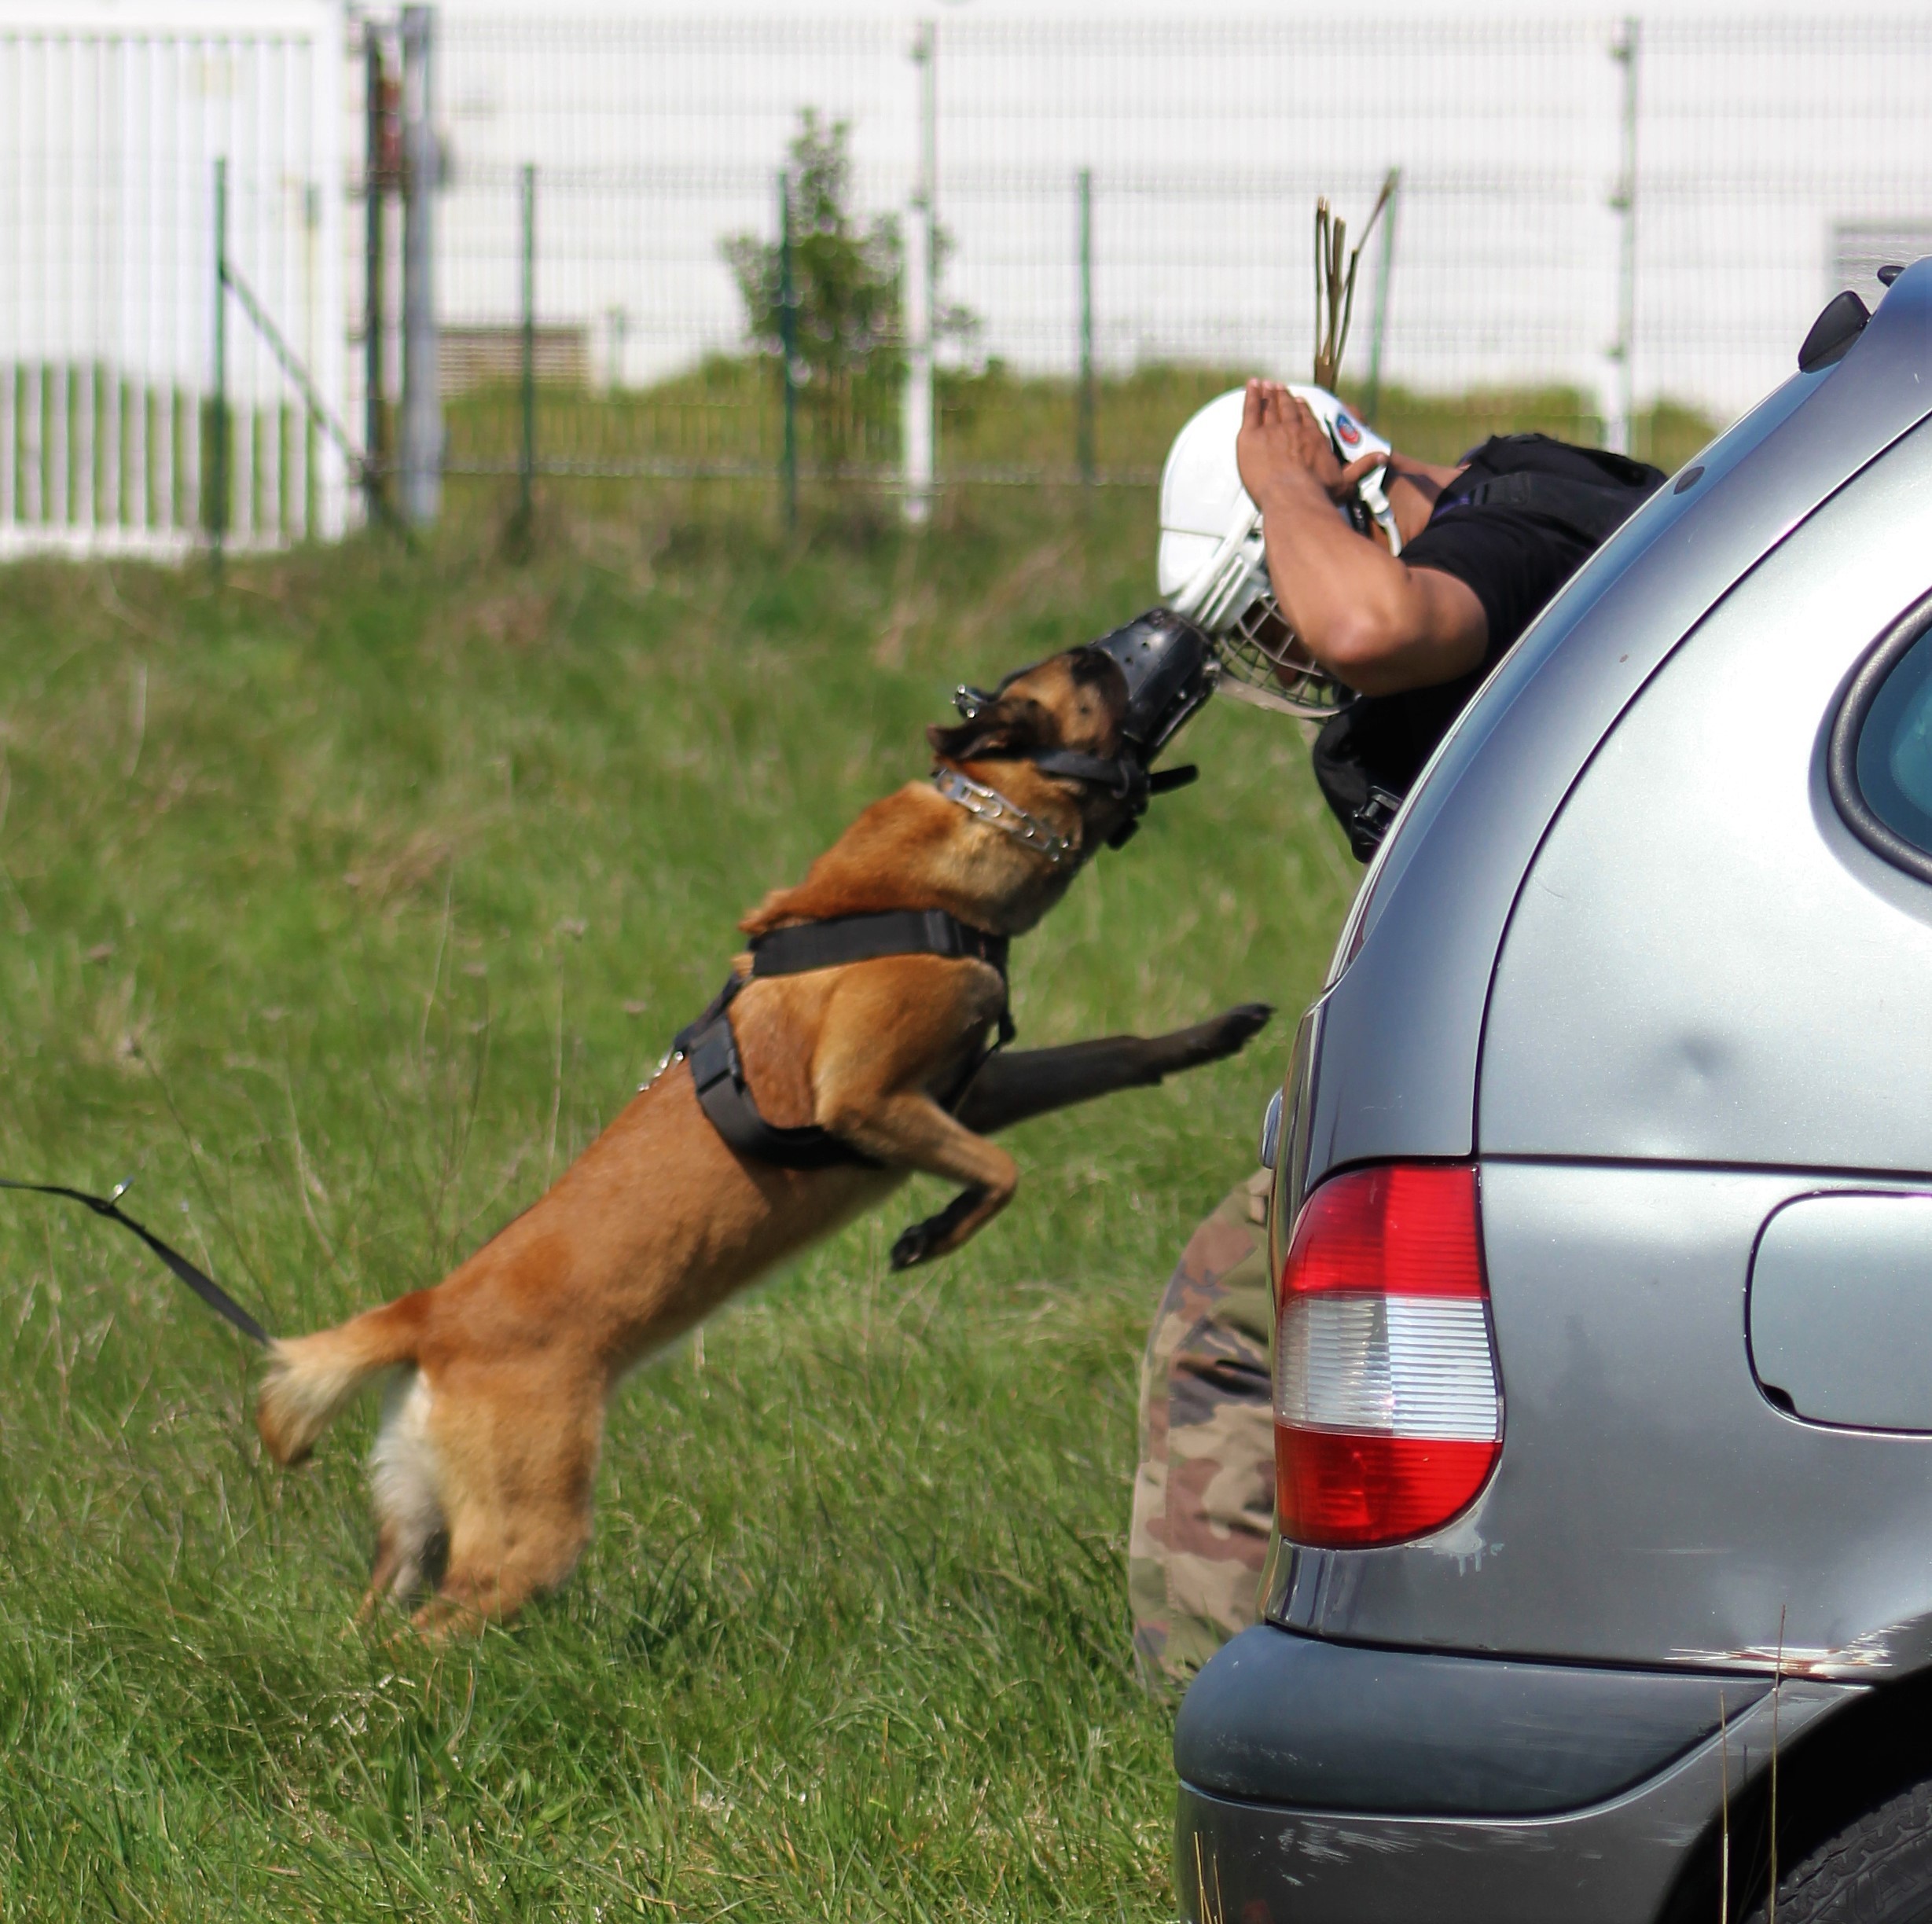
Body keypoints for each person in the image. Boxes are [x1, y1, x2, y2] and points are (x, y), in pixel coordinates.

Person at [1128, 379, 1664, 1680]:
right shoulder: (1558, 527)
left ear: (1356, 486)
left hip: (1590, 1072)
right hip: (1588, 1051)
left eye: (1275, 597)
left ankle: (1229, 1697)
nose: (1291, 644)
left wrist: (1288, 494)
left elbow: (1368, 621)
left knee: (1238, 1333)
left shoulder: (1514, 528)